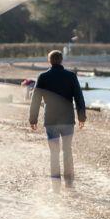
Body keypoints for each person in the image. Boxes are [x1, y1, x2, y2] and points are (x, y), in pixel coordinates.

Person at [29, 50, 86, 190]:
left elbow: (35, 99)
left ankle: (55, 184)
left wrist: (33, 119)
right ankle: (69, 183)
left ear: (50, 61)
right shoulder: (71, 76)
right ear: (61, 60)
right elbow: (79, 97)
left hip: (51, 120)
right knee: (67, 150)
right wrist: (81, 116)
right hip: (67, 120)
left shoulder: (43, 77)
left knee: (54, 152)